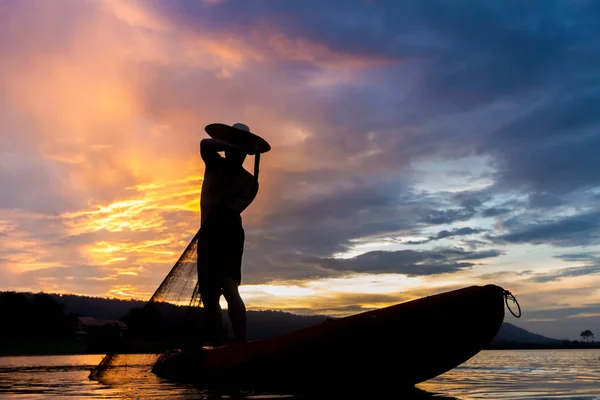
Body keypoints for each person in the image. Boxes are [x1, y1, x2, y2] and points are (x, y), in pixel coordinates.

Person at [197, 122, 269, 345]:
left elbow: (234, 209)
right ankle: (218, 346)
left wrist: (240, 148)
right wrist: (234, 145)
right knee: (209, 296)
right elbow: (205, 144)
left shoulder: (249, 181)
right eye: (230, 147)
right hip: (208, 233)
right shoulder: (214, 163)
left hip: (228, 232)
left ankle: (242, 344)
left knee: (229, 287)